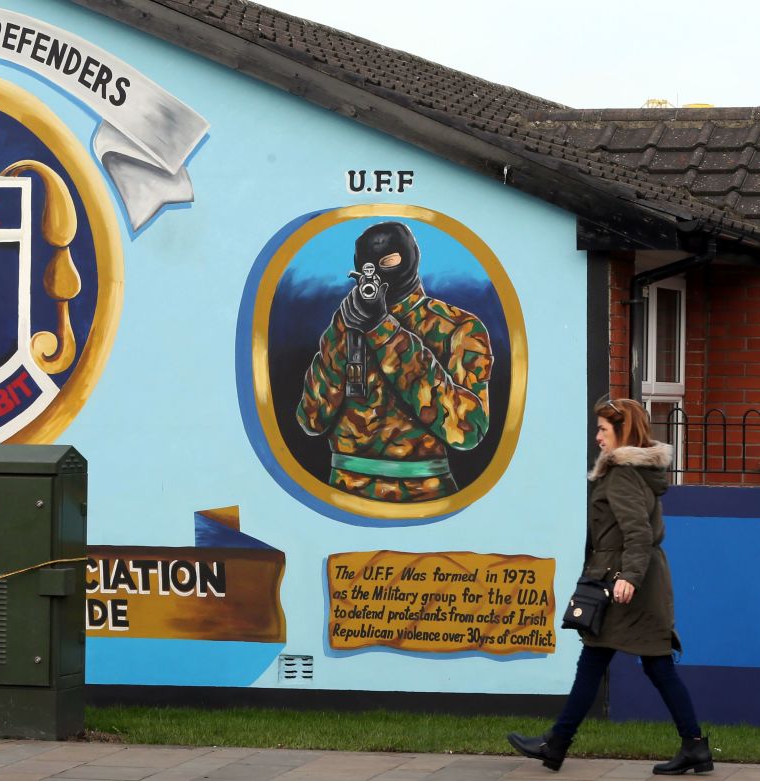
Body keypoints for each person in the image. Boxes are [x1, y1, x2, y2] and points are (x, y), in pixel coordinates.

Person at [507, 399, 712, 774]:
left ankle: (557, 744)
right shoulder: (631, 472)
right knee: (645, 665)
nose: (598, 436)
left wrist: (628, 579)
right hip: (627, 581)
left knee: (628, 663)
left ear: (622, 432)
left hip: (626, 585)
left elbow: (638, 533)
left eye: (604, 429)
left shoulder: (620, 475)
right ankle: (693, 746)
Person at [296, 221, 492, 502]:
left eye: (388, 261)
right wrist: (342, 336)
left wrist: (383, 330)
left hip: (425, 495)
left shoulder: (458, 328)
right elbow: (311, 419)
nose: (377, 273)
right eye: (368, 266)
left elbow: (468, 429)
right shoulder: (345, 323)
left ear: (412, 257)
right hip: (343, 493)